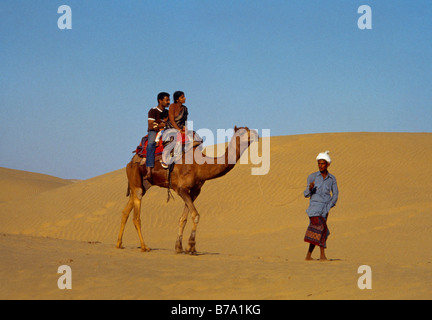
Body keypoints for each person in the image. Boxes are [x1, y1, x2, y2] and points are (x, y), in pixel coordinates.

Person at [303, 150, 339, 261]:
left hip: (325, 209)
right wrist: (310, 188)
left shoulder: (332, 179)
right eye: (319, 163)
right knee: (321, 229)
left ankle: (308, 256)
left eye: (322, 163)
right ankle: (322, 255)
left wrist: (329, 207)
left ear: (328, 164)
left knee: (317, 232)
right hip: (314, 209)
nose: (320, 166)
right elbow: (305, 194)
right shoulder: (312, 177)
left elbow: (335, 194)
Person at [143, 92, 170, 180]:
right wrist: (160, 126)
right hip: (154, 131)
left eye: (169, 100)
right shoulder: (153, 111)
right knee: (150, 145)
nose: (168, 102)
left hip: (165, 131)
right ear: (160, 100)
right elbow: (150, 125)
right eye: (167, 100)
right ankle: (149, 170)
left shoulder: (167, 112)